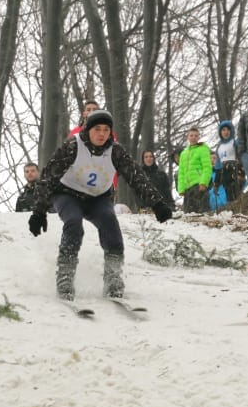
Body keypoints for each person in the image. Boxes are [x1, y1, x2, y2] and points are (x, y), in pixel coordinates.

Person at [28, 110, 172, 301]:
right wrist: (39, 211)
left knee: (111, 226)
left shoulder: (115, 151)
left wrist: (158, 204)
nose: (102, 134)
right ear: (88, 130)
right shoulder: (73, 145)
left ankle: (113, 279)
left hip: (98, 198)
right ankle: (65, 278)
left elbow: (136, 177)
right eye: (97, 129)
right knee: (73, 224)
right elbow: (48, 177)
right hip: (67, 194)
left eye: (106, 130)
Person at [176, 127, 212, 213]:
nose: (193, 137)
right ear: (187, 137)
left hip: (199, 185)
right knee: (188, 213)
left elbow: (207, 167)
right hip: (188, 188)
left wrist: (203, 182)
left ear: (199, 137)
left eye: (196, 135)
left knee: (202, 212)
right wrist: (181, 188)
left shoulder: (203, 149)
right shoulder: (183, 154)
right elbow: (181, 172)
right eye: (191, 135)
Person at [214, 120, 244, 201]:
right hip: (224, 172)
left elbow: (241, 156)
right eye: (223, 130)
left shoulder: (234, 142)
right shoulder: (219, 146)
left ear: (231, 131)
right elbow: (218, 165)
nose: (226, 132)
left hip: (235, 169)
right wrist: (216, 183)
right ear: (220, 132)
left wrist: (242, 171)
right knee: (229, 194)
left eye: (228, 129)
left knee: (237, 193)